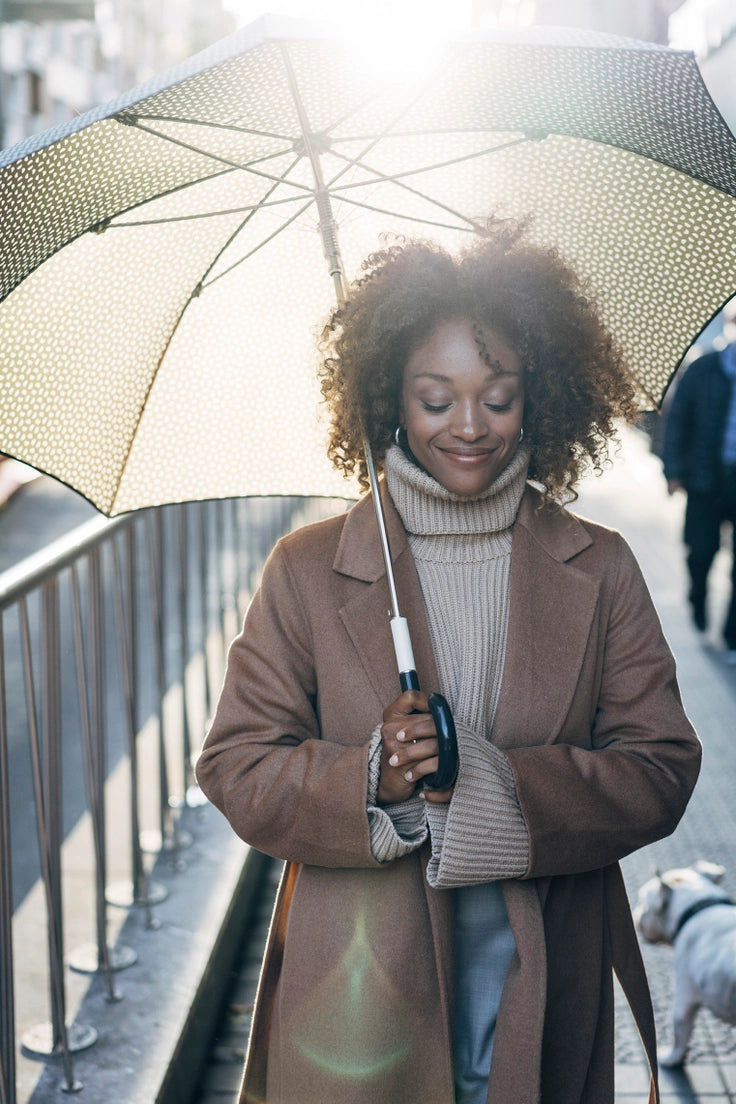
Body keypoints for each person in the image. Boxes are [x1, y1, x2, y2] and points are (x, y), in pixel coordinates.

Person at [196, 221, 701, 1104]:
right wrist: (370, 780)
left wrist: (500, 789)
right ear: (388, 394)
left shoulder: (602, 564)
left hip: (547, 976)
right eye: (436, 399)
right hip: (354, 996)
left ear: (538, 398)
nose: (469, 426)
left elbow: (660, 768)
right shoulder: (308, 569)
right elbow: (236, 766)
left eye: (497, 397)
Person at [661, 301, 736, 662]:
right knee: (701, 552)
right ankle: (698, 599)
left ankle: (732, 634)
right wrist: (673, 471)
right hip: (706, 479)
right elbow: (676, 423)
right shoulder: (702, 369)